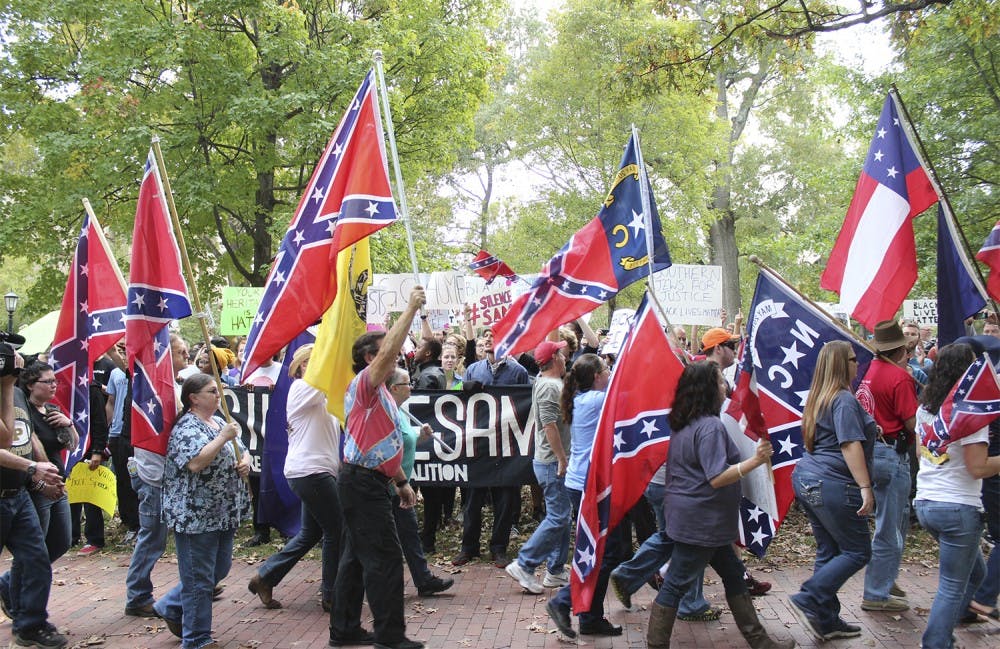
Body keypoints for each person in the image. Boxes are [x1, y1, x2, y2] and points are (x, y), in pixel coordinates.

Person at [645, 361, 792, 649]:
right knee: (675, 584)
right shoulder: (710, 427)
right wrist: (756, 461)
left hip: (705, 521)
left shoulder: (686, 421)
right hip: (702, 523)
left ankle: (761, 641)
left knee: (736, 577)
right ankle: (656, 644)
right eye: (720, 381)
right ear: (708, 388)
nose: (726, 385)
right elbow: (716, 477)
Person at [329, 287, 426, 649]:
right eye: (389, 350)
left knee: (355, 558)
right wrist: (411, 309)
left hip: (367, 481)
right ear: (372, 357)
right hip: (361, 484)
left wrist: (400, 481)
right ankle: (390, 637)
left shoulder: (382, 393)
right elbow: (390, 350)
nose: (398, 354)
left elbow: (381, 446)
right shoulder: (366, 385)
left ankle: (344, 630)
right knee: (384, 558)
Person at [153, 373, 252, 649]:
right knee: (199, 579)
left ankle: (170, 606)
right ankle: (197, 639)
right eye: (212, 391)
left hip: (223, 511)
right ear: (194, 398)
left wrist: (243, 462)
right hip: (195, 515)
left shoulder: (220, 421)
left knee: (218, 569)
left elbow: (241, 450)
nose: (218, 394)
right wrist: (222, 437)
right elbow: (196, 462)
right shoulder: (186, 427)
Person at [788, 341, 876, 641]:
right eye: (853, 359)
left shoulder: (819, 397)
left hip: (809, 478)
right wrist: (866, 487)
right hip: (834, 482)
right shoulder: (843, 399)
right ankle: (810, 597)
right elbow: (849, 444)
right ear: (841, 364)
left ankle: (826, 619)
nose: (857, 364)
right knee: (858, 550)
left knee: (830, 549)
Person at [913, 343, 1000, 648]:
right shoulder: (970, 415)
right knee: (952, 586)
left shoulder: (924, 410)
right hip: (957, 507)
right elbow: (978, 467)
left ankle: (947, 627)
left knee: (976, 572)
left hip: (926, 502)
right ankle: (936, 642)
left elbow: (920, 452)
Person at [249, 344, 342, 612]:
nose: (314, 366)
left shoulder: (323, 394)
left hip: (315, 471)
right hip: (310, 472)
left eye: (317, 360)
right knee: (337, 530)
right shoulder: (302, 389)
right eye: (307, 362)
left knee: (310, 534)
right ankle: (331, 594)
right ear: (299, 368)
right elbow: (328, 375)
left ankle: (265, 577)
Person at [545, 354, 623, 638]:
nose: (610, 371)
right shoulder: (595, 400)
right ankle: (564, 601)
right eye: (605, 368)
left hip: (584, 484)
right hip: (588, 487)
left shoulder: (583, 397)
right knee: (605, 551)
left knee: (608, 550)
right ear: (596, 377)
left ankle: (590, 617)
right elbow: (625, 387)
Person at [0, 346, 68, 648]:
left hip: (19, 492)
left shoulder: (13, 392)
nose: (15, 360)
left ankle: (30, 625)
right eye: (8, 355)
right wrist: (33, 468)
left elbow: (25, 437)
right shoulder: (8, 389)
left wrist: (43, 473)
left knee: (37, 559)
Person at [856, 320, 919, 612]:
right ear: (901, 349)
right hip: (892, 452)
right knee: (891, 526)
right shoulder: (900, 377)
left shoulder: (866, 370)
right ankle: (877, 592)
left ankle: (886, 576)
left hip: (870, 452)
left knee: (891, 522)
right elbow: (911, 422)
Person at [453, 328, 529, 568]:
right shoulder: (473, 370)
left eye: (493, 336)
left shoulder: (518, 371)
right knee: (473, 499)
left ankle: (499, 548)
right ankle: (469, 547)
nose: (487, 340)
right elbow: (458, 404)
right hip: (478, 446)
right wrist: (463, 389)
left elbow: (524, 408)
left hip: (507, 447)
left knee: (505, 498)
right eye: (486, 336)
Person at [124, 333, 187, 617]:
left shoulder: (173, 386)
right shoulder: (150, 387)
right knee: (152, 537)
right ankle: (137, 596)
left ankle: (196, 583)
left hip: (169, 474)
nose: (186, 357)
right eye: (180, 352)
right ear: (164, 355)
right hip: (153, 475)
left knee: (176, 534)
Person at [506, 340, 571, 594]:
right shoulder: (548, 387)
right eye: (562, 353)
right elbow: (549, 425)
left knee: (562, 517)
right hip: (552, 462)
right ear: (555, 358)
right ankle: (525, 564)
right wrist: (562, 459)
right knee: (558, 516)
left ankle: (555, 570)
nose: (566, 357)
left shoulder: (551, 383)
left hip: (554, 461)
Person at [384, 367, 454, 597]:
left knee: (409, 533)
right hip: (389, 486)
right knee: (389, 538)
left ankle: (423, 580)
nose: (411, 387)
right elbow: (388, 449)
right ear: (394, 388)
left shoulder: (400, 411)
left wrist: (418, 433)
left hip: (399, 484)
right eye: (406, 383)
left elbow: (404, 437)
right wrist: (398, 483)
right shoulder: (387, 411)